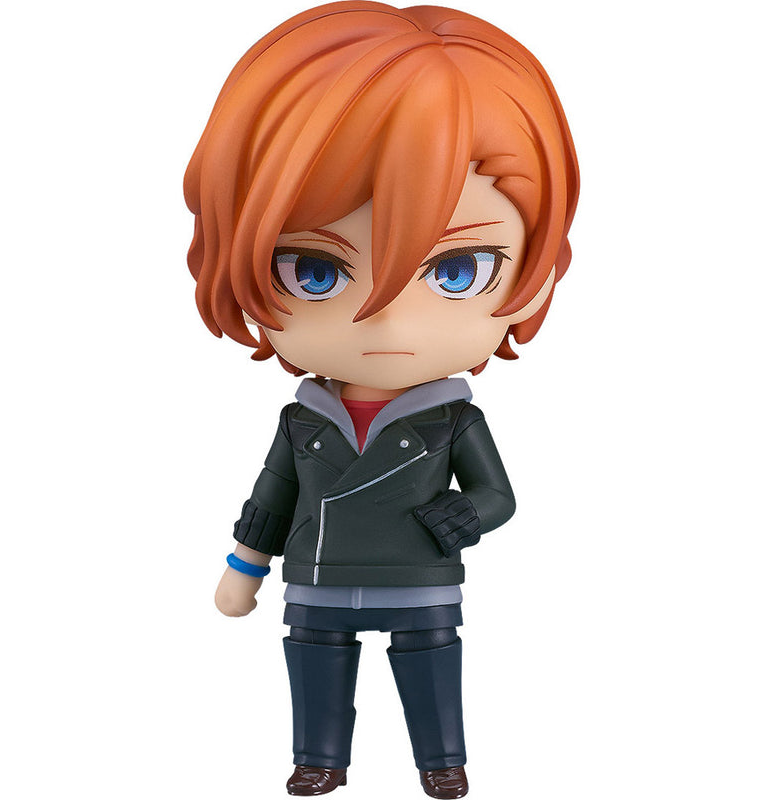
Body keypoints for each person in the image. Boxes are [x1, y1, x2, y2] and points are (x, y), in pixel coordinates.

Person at [184, 3, 579, 797]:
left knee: (431, 665)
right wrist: (244, 567)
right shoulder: (303, 421)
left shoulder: (454, 420)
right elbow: (271, 496)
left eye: (456, 271)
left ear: (532, 272)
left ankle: (442, 762)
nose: (388, 320)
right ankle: (318, 759)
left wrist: (465, 517)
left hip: (418, 572)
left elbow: (497, 494)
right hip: (319, 571)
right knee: (315, 664)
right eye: (315, 272)